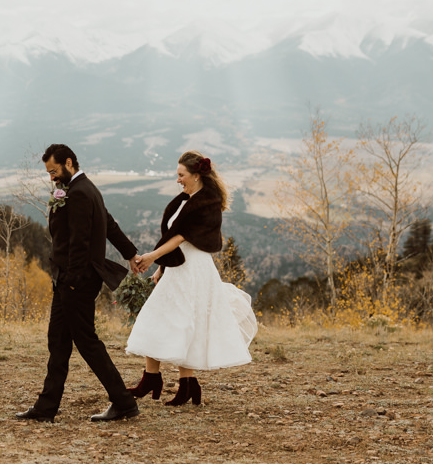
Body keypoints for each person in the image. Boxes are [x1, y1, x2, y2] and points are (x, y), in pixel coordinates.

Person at [16, 144, 142, 424]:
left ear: (69, 162)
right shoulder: (84, 188)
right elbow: (109, 224)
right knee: (58, 341)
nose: (51, 177)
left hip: (76, 282)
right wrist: (131, 253)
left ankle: (123, 402)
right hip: (66, 280)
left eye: (54, 171)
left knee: (87, 342)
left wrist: (71, 282)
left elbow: (80, 243)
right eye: (48, 172)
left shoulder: (81, 192)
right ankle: (46, 407)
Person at [123, 151, 257, 406]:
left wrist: (152, 257)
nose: (178, 180)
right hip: (178, 267)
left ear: (196, 175)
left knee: (181, 321)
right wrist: (163, 267)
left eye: (181, 175)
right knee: (165, 318)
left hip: (193, 270)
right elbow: (174, 236)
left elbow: (181, 237)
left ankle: (175, 382)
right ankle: (173, 381)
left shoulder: (207, 202)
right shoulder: (187, 199)